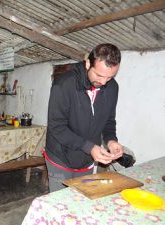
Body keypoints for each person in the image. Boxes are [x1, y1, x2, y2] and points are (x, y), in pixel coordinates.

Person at [44, 43, 124, 192]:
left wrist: (111, 140)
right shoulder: (64, 84)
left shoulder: (112, 87)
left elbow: (108, 121)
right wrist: (89, 147)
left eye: (110, 77)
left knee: (81, 199)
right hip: (60, 156)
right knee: (60, 203)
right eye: (99, 75)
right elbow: (57, 127)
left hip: (87, 158)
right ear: (88, 63)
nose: (103, 82)